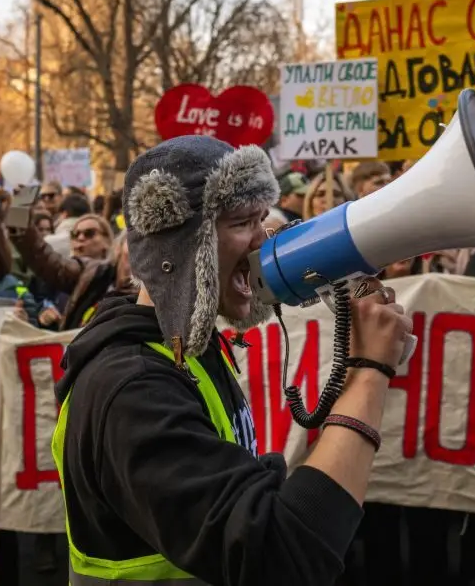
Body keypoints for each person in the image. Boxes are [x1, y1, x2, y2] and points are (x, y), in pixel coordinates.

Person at [52, 135, 412, 586]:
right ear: (178, 250)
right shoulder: (132, 389)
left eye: (263, 219)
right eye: (242, 222)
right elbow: (281, 558)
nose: (263, 243)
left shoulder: (189, 350)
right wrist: (368, 374)